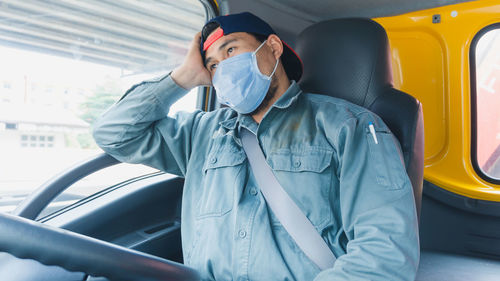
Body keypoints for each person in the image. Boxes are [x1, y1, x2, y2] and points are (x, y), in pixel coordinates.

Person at [93, 12, 419, 281]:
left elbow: (384, 254)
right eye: (214, 64)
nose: (223, 67)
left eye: (231, 50)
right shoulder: (201, 133)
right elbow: (115, 132)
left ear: (273, 47)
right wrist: (183, 78)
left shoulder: (351, 127)